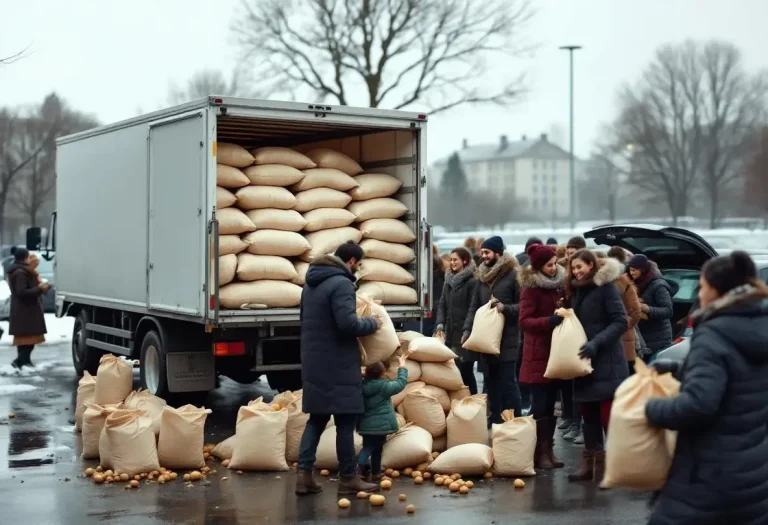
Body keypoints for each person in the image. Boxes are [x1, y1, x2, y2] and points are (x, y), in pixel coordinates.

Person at [646, 251, 768, 524]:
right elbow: (740, 380)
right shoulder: (758, 326)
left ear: (717, 290)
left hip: (709, 474)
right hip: (754, 473)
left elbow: (698, 405)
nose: (699, 294)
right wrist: (679, 369)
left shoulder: (713, 334)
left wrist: (651, 409)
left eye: (702, 286)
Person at [296, 241, 383, 496]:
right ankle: (348, 477)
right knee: (346, 420)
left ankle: (303, 476)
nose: (357, 269)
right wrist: (372, 323)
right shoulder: (342, 283)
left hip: (314, 361)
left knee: (316, 420)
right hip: (338, 363)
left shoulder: (310, 284)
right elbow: (348, 324)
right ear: (352, 261)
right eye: (359, 264)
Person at [563, 249, 629, 482]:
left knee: (607, 417)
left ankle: (615, 466)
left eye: (579, 267)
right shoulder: (576, 290)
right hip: (584, 360)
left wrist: (596, 343)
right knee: (588, 415)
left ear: (591, 265)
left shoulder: (606, 288)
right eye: (573, 268)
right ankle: (590, 464)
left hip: (606, 360)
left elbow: (620, 321)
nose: (576, 272)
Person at [463, 236, 522, 425]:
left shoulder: (514, 275)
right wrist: (467, 330)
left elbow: (523, 306)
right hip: (486, 339)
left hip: (508, 339)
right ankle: (495, 417)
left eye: (487, 252)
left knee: (508, 383)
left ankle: (515, 419)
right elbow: (474, 307)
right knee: (491, 382)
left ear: (498, 253)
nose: (484, 256)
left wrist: (506, 308)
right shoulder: (482, 277)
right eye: (482, 252)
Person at [517, 243, 567, 469]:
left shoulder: (559, 286)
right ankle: (538, 453)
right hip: (537, 354)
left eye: (555, 263)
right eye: (549, 265)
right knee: (540, 405)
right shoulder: (531, 289)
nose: (554, 268)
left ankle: (548, 450)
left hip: (555, 352)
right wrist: (549, 321)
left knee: (550, 405)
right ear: (538, 267)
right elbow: (524, 321)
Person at [356, 355, 409, 481]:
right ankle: (357, 470)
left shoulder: (361, 386)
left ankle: (375, 473)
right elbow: (400, 383)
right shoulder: (384, 387)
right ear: (382, 373)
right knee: (371, 448)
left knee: (374, 447)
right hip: (381, 425)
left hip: (365, 424)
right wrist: (402, 366)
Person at [435, 247, 478, 395]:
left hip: (465, 335)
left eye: (455, 260)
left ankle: (474, 400)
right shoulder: (448, 280)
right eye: (451, 260)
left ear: (464, 261)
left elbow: (473, 308)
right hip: (451, 333)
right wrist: (440, 324)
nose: (452, 262)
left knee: (466, 372)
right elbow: (442, 304)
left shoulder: (472, 282)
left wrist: (467, 329)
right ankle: (460, 401)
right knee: (454, 371)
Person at [627, 254, 677, 361]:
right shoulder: (634, 283)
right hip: (643, 338)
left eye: (634, 270)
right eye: (630, 270)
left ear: (642, 270)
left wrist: (646, 308)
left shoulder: (658, 285)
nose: (632, 273)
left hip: (659, 338)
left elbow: (668, 311)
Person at [8, 247, 48, 369]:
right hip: (25, 311)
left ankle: (25, 361)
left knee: (27, 340)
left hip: (25, 310)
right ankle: (20, 362)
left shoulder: (20, 270)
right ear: (25, 258)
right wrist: (40, 289)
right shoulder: (20, 272)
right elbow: (22, 292)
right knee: (25, 340)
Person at [606, 249, 642, 374]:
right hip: (624, 335)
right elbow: (636, 312)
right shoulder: (625, 282)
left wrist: (619, 326)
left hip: (614, 336)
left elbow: (636, 311)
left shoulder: (603, 282)